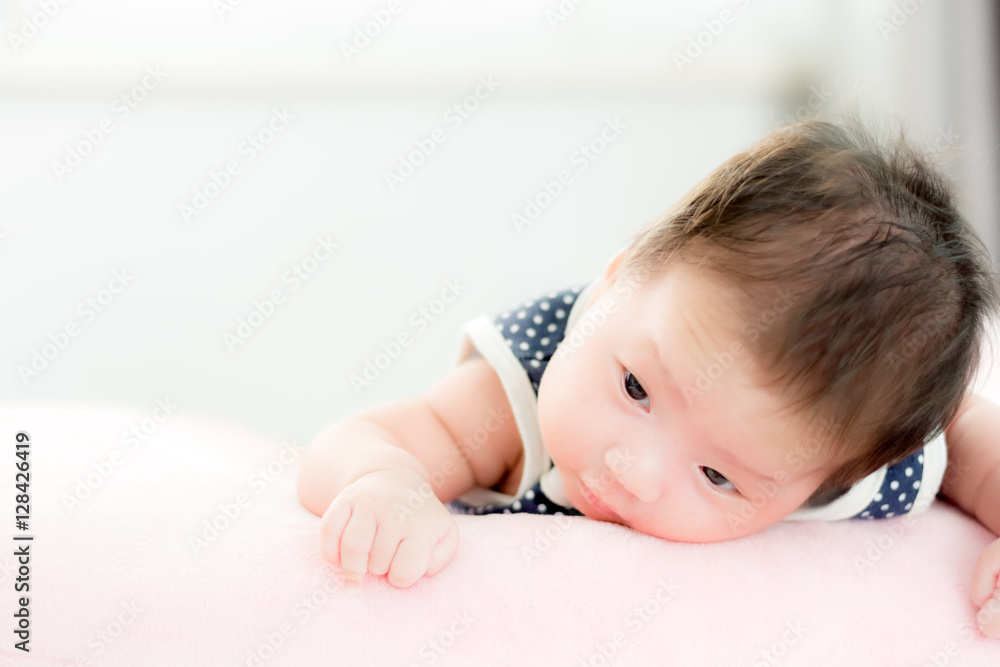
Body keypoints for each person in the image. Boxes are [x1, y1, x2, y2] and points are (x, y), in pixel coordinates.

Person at [296, 117, 1000, 636]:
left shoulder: (861, 447)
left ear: (824, 482)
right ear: (614, 278)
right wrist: (385, 480)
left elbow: (966, 433)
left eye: (719, 476)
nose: (633, 471)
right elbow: (366, 436)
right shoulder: (527, 385)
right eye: (635, 388)